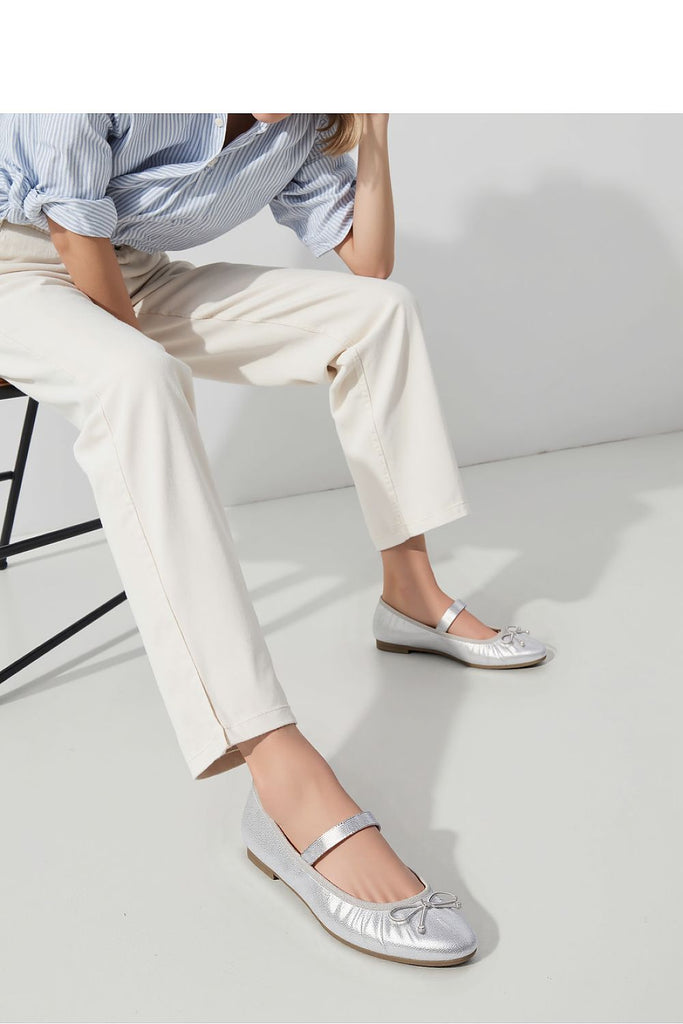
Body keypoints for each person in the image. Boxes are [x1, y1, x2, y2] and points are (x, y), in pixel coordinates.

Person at [0, 112, 547, 966]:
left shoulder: (302, 120)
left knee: (377, 314)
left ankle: (409, 593)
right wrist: (147, 377)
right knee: (139, 380)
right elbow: (73, 227)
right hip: (16, 266)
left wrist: (372, 134)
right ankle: (278, 770)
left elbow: (369, 262)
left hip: (127, 269)